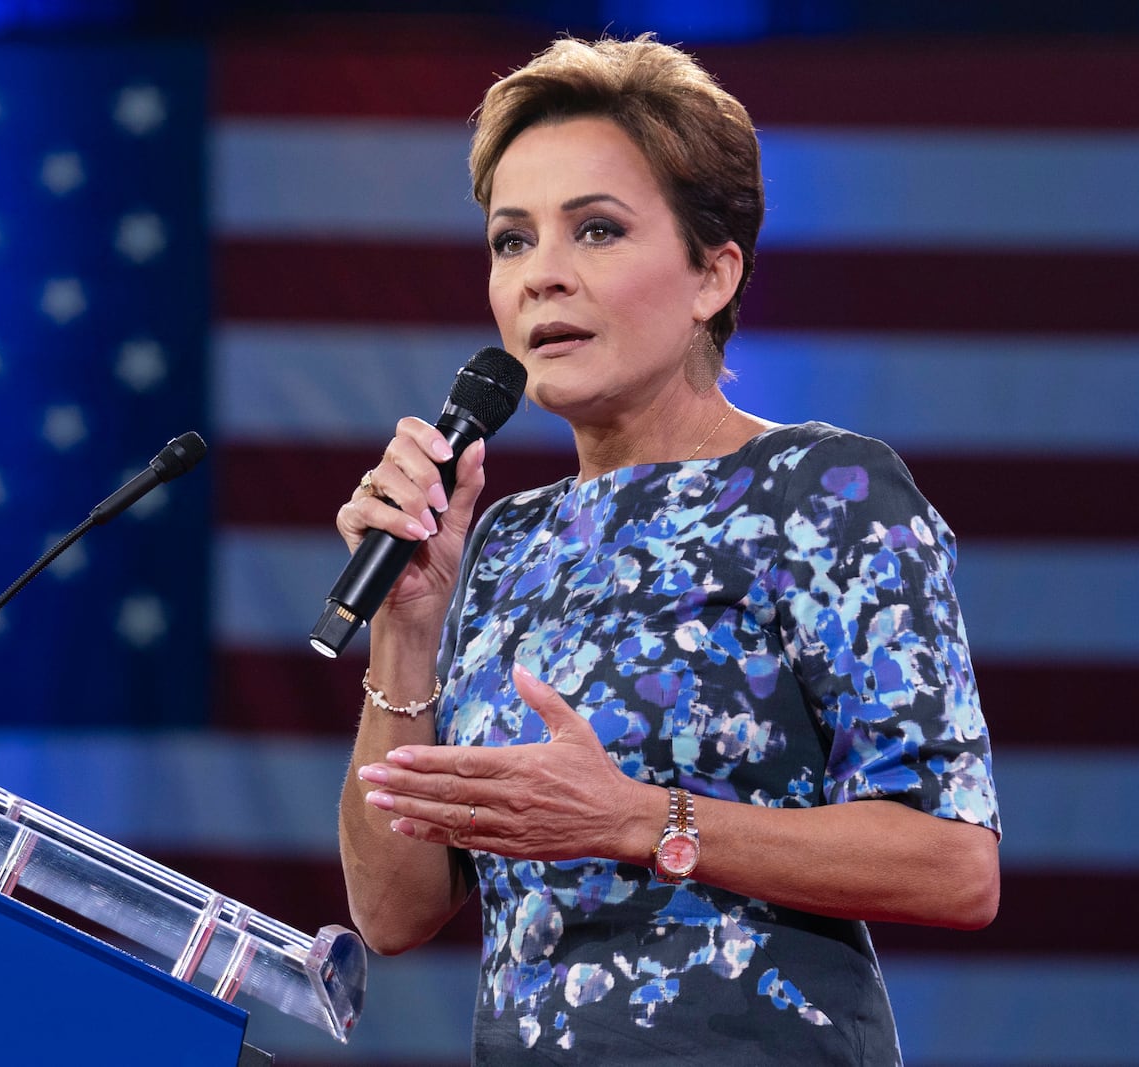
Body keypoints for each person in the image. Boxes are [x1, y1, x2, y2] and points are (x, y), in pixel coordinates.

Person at [334, 33, 1000, 1065]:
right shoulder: (510, 538)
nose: (541, 277)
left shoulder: (821, 491)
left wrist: (641, 819)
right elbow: (393, 910)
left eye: (595, 230)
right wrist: (407, 625)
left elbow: (953, 864)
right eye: (512, 241)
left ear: (711, 274)